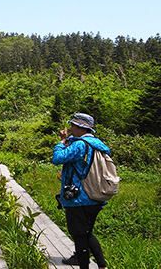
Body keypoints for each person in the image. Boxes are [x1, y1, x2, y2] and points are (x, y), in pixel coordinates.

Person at [52, 113, 108, 269]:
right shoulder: (97, 144)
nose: (70, 129)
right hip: (95, 196)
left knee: (79, 235)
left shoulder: (80, 145)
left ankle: (83, 265)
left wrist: (62, 141)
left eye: (73, 126)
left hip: (79, 198)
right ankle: (102, 265)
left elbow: (57, 158)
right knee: (87, 233)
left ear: (80, 127)